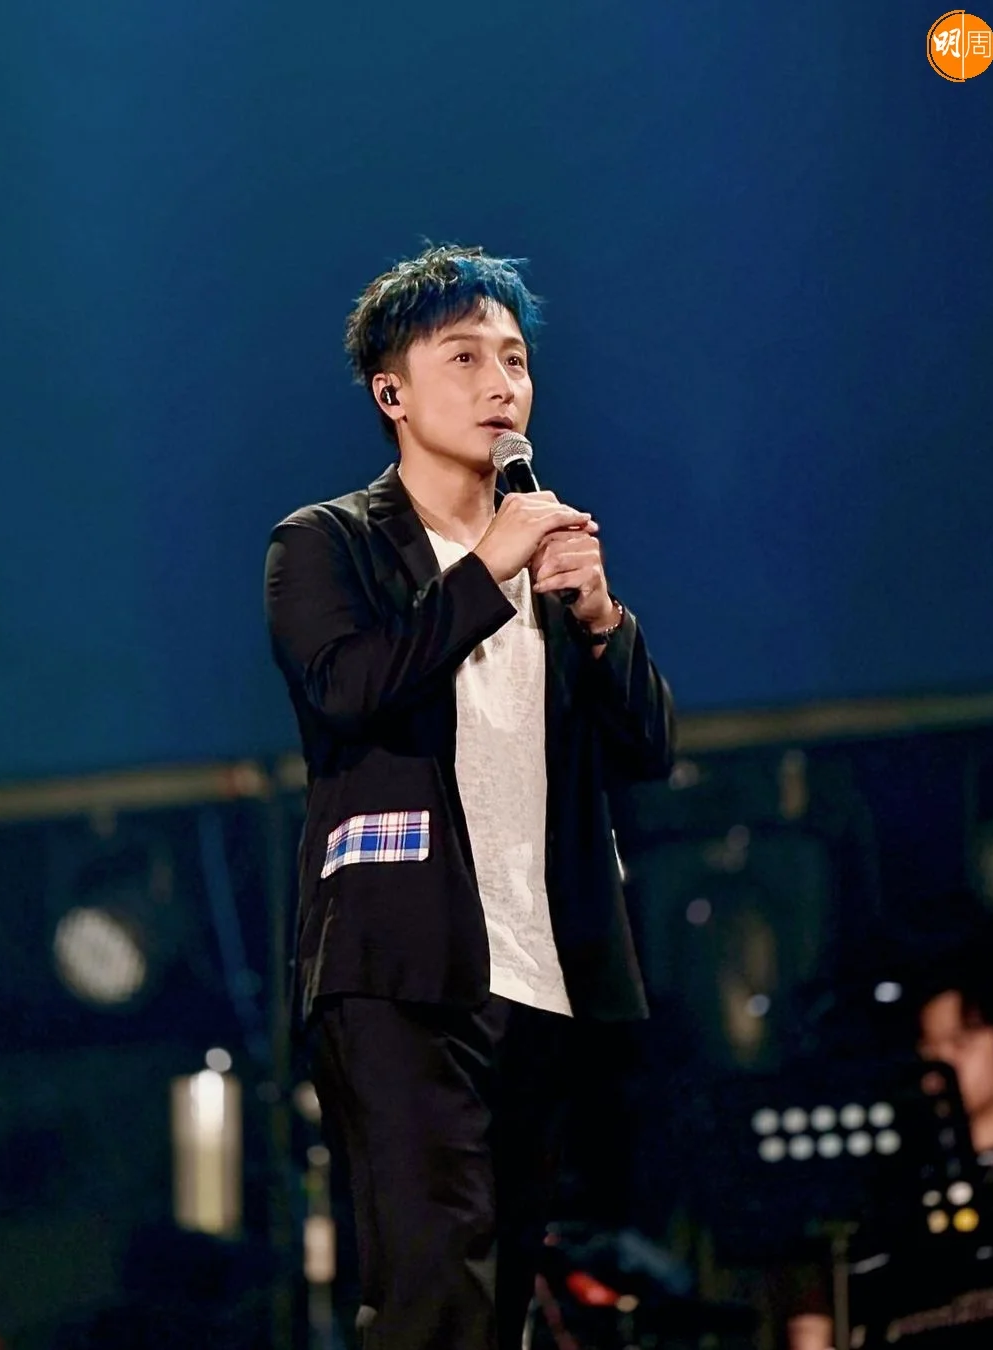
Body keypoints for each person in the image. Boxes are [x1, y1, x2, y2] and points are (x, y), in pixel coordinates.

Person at [264, 243, 674, 1349]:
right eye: (466, 359)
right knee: (432, 1290)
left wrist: (602, 622)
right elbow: (350, 688)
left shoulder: (547, 555)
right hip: (401, 968)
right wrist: (489, 567)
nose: (503, 385)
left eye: (516, 360)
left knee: (502, 1305)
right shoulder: (326, 544)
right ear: (391, 393)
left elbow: (648, 751)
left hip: (544, 969)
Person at [787, 933, 993, 1350]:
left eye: (960, 1043)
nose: (941, 1062)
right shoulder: (891, 1177)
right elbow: (817, 1309)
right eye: (930, 1046)